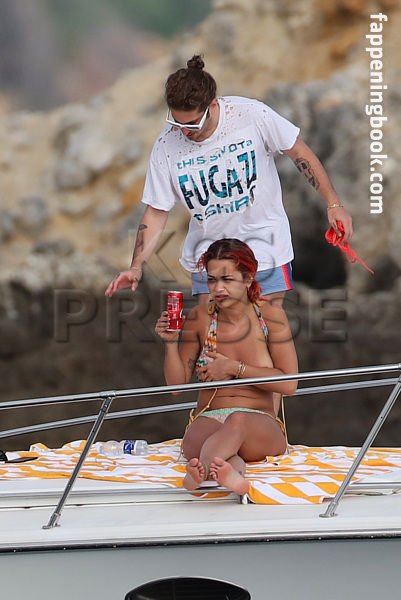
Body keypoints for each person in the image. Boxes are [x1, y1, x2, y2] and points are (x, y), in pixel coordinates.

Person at [105, 54, 353, 306]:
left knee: (267, 324)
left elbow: (299, 152)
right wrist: (136, 266)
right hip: (209, 259)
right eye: (177, 122)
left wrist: (333, 203)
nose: (185, 131)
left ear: (212, 105)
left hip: (265, 249)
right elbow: (156, 212)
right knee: (212, 330)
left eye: (193, 123)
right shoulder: (166, 145)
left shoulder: (251, 115)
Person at [155, 239, 298, 494]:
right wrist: (170, 343)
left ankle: (198, 477)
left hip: (258, 422)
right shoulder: (201, 319)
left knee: (237, 421)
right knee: (218, 440)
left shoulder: (270, 316)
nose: (218, 288)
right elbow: (176, 386)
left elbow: (289, 385)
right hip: (210, 418)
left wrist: (234, 368)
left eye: (227, 279)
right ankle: (231, 473)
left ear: (248, 279)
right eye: (211, 280)